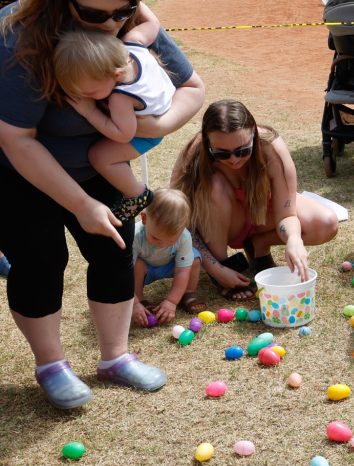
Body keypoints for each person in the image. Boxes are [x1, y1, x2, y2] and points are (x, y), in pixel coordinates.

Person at [0, 0, 205, 410]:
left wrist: (154, 124)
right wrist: (81, 204)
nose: (113, 23)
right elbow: (16, 139)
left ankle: (116, 357)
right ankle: (51, 365)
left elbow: (192, 88)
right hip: (19, 171)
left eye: (124, 9)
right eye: (96, 15)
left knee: (116, 251)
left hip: (101, 169)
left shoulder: (130, 25)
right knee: (40, 260)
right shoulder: (18, 37)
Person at [170, 100, 339, 301]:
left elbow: (286, 214)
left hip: (261, 217)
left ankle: (258, 244)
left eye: (242, 150)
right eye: (221, 153)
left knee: (325, 223)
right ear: (207, 143)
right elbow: (181, 225)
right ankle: (224, 263)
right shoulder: (194, 155)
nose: (234, 159)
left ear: (254, 135)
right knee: (215, 185)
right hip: (219, 226)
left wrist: (294, 239)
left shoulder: (271, 148)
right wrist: (216, 269)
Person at [53, 27, 175, 218]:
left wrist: (90, 111)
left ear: (117, 75)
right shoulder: (133, 44)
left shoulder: (120, 98)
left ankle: (137, 194)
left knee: (100, 156)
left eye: (90, 92)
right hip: (167, 107)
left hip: (147, 134)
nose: (85, 97)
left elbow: (123, 134)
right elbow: (152, 24)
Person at [131, 188, 205, 326]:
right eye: (156, 238)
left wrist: (171, 301)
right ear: (144, 218)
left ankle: (188, 293)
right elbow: (124, 273)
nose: (163, 244)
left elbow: (182, 271)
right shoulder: (134, 236)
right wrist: (133, 303)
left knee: (194, 259)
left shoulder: (184, 236)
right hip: (145, 270)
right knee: (136, 265)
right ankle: (140, 300)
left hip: (170, 265)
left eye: (171, 241)